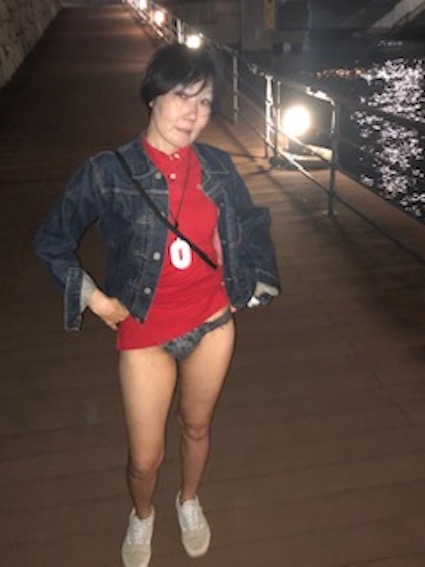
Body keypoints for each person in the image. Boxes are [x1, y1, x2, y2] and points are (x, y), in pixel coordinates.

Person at [34, 42, 280, 567]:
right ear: (153, 96)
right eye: (181, 96)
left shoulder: (218, 166)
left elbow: (252, 222)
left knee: (197, 427)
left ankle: (188, 500)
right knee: (145, 458)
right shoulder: (108, 171)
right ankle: (142, 513)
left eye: (205, 102)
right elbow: (51, 240)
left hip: (213, 321)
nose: (193, 114)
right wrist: (95, 300)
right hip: (144, 330)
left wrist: (249, 281)